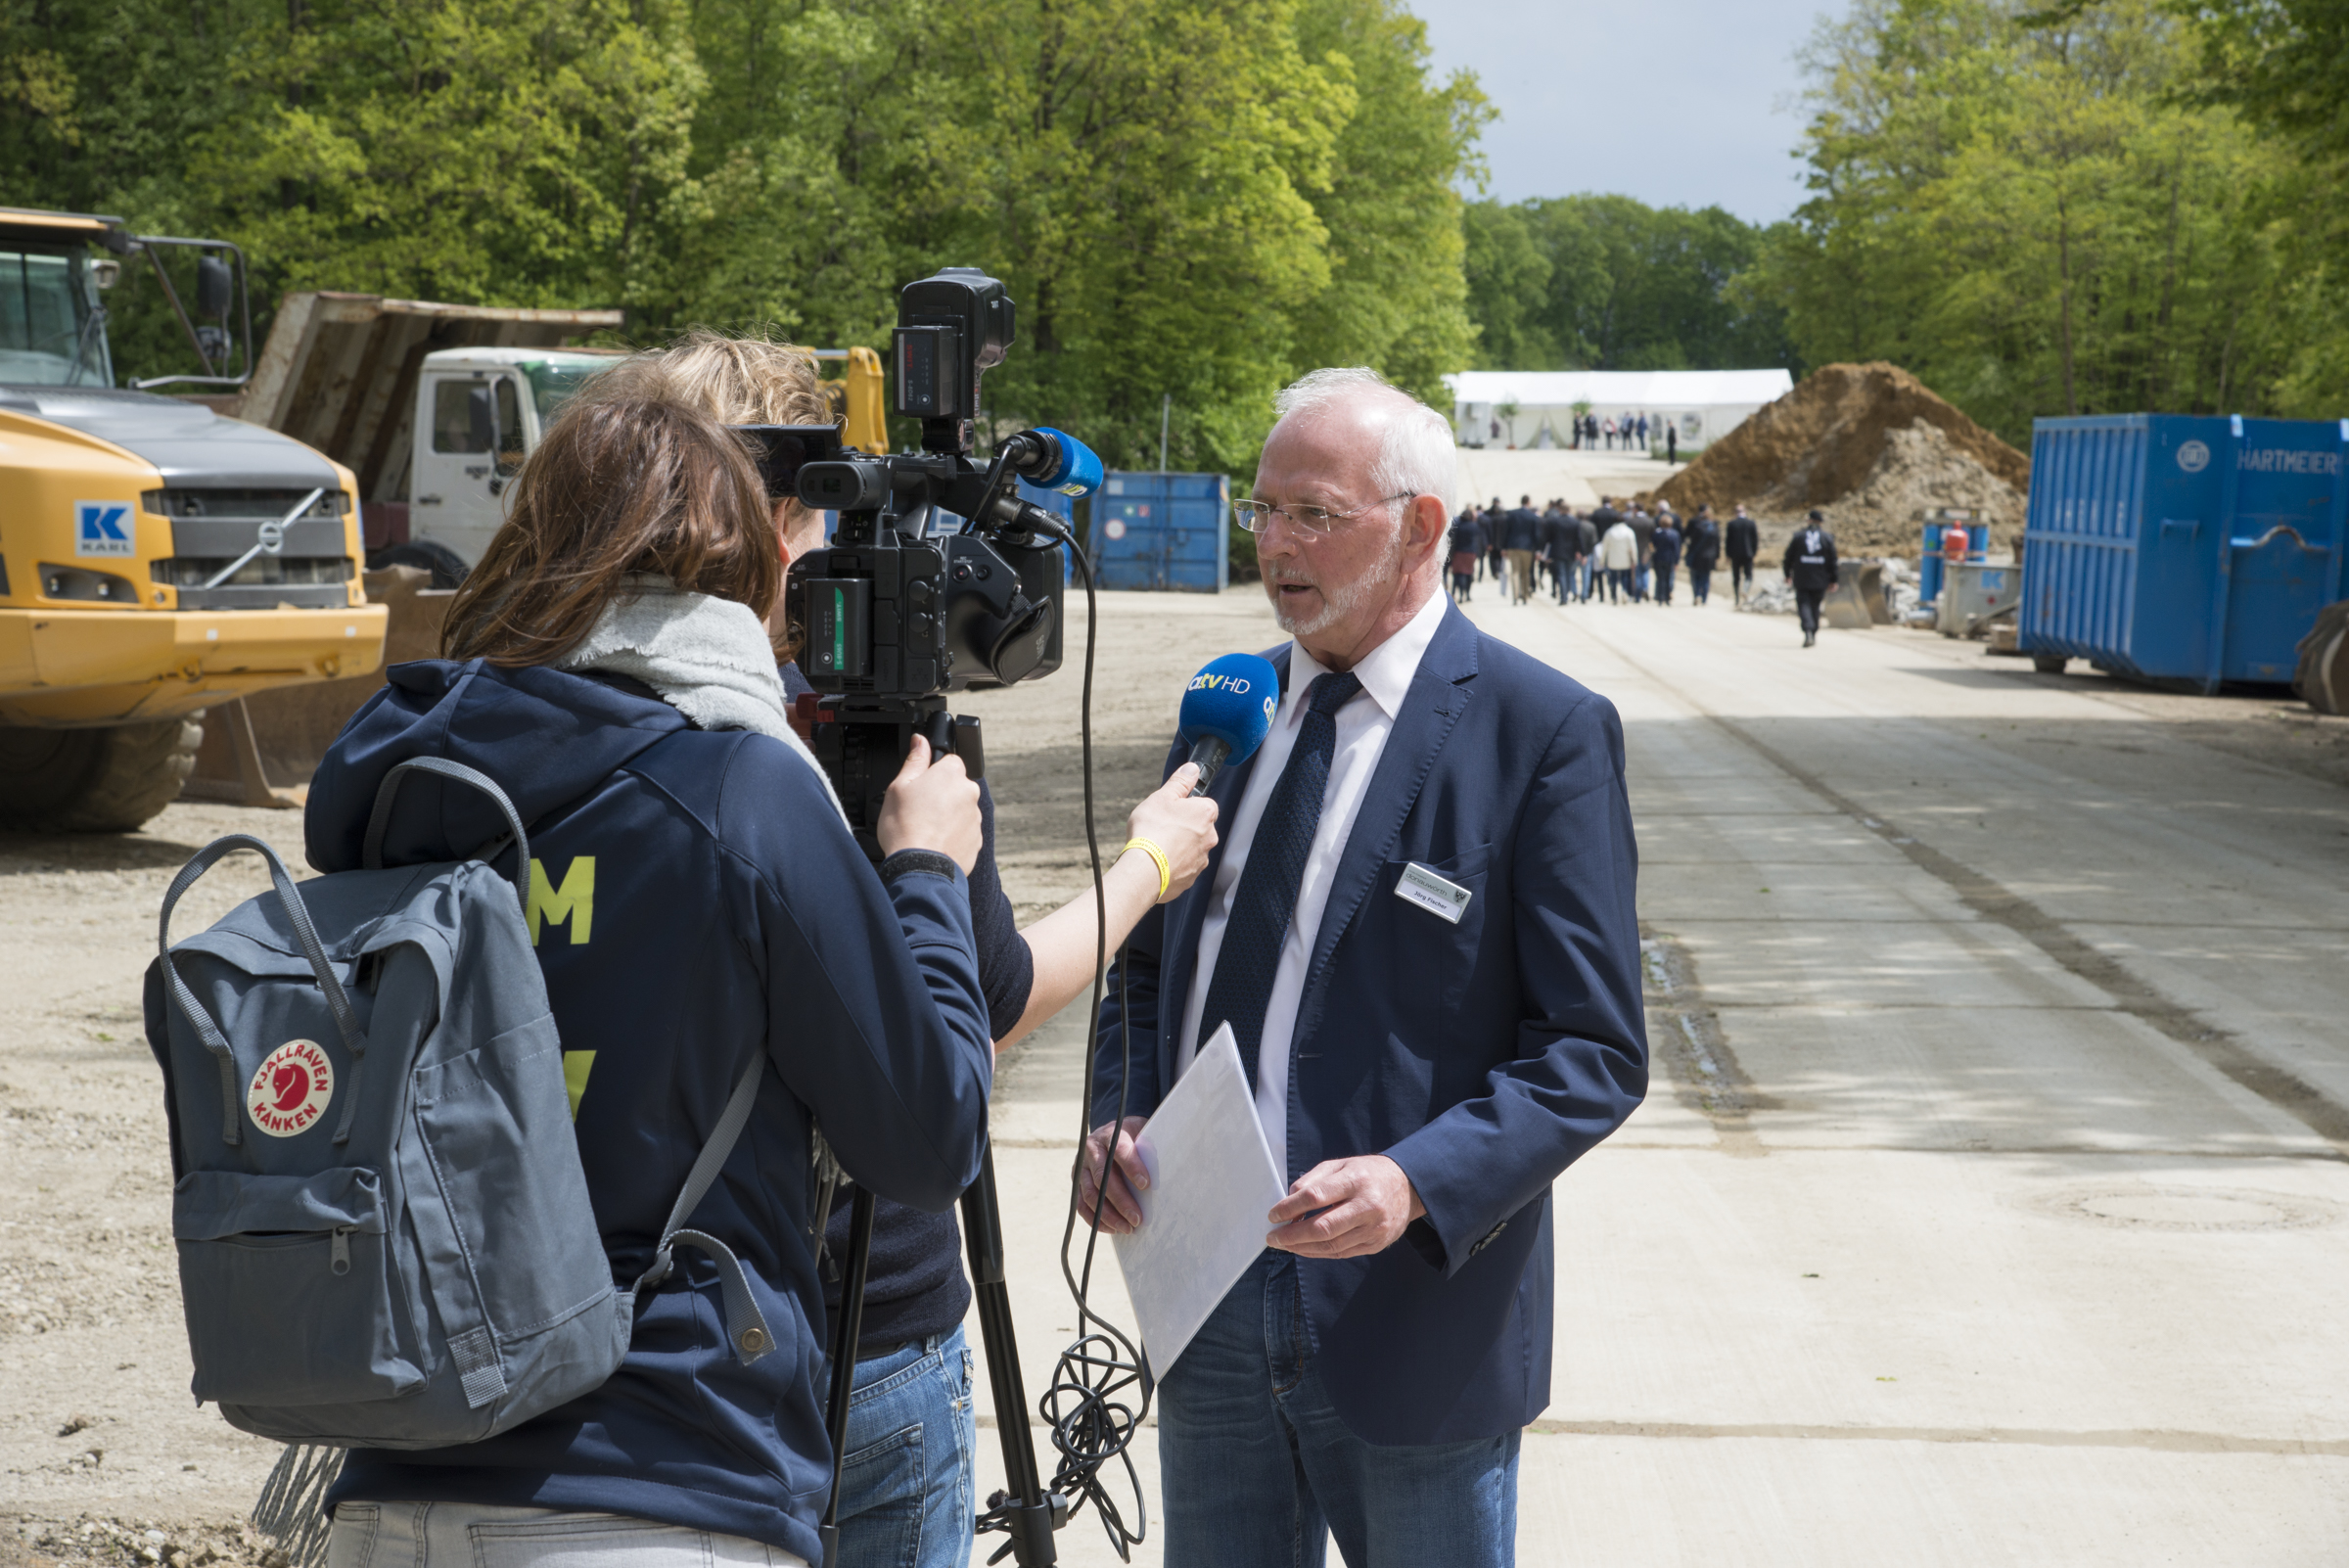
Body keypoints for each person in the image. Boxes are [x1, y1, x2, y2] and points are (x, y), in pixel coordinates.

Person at [308, 392, 997, 1568]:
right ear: (739, 562)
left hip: (390, 1478)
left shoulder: (396, 788)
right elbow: (930, 1137)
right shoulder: (738, 789)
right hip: (659, 1481)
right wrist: (925, 874)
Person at [577, 335, 1221, 1568]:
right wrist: (1150, 866)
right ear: (781, 514)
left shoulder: (548, 705)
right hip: (859, 1329)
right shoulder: (860, 721)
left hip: (592, 1321)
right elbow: (976, 1016)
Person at [1081, 366, 1646, 1568]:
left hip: (1409, 1314)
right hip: (1209, 1289)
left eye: (1315, 516)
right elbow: (1144, 968)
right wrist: (1117, 1117)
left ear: (1420, 528)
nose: (1277, 546)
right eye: (1264, 511)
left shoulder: (1538, 732)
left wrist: (1415, 1182)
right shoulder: (1226, 707)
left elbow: (1592, 1051)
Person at [1784, 507, 1841, 647]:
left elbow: (1788, 558)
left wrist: (1787, 574)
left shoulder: (1798, 536)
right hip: (1820, 578)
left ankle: (1808, 630)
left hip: (1802, 577)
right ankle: (1813, 631)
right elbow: (1833, 561)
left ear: (1810, 520)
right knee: (1815, 606)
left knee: (1804, 604)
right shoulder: (1827, 538)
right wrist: (1834, 579)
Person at [1501, 492, 1541, 605]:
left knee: (1515, 572)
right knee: (1525, 572)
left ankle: (1515, 596)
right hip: (1527, 548)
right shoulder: (1532, 516)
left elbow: (1506, 532)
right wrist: (1537, 549)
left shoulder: (1512, 515)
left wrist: (1504, 547)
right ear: (1529, 502)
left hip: (1513, 547)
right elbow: (1536, 535)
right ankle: (1524, 596)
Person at [1597, 507, 1638, 603]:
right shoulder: (1629, 532)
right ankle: (1624, 591)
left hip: (1613, 560)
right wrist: (1634, 560)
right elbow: (1633, 547)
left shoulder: (1610, 532)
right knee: (1625, 577)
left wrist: (1602, 560)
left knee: (1613, 579)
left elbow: (1605, 548)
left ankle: (1614, 596)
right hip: (1625, 559)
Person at [1684, 505, 1721, 606]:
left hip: (1697, 556)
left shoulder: (1697, 527)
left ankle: (1697, 595)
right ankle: (1704, 599)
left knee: (1695, 577)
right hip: (1710, 557)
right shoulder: (1714, 528)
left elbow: (1692, 542)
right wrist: (1717, 556)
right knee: (1706, 578)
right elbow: (1717, 544)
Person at [1726, 503, 1760, 603]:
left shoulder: (1732, 524)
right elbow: (1755, 540)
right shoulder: (1751, 523)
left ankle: (1736, 598)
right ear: (1745, 511)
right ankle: (1745, 590)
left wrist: (1728, 554)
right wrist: (1754, 552)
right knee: (1748, 575)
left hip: (1735, 554)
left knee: (1736, 577)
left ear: (1735, 512)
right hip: (1748, 554)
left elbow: (1728, 541)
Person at [1650, 510, 1682, 606]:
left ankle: (1660, 598)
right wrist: (1677, 561)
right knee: (1669, 579)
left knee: (1660, 578)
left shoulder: (1657, 533)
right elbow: (1677, 549)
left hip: (1658, 558)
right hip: (1670, 559)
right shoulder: (1674, 534)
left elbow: (1653, 545)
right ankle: (1667, 598)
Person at [1449, 505, 1481, 602]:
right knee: (1469, 573)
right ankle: (1467, 594)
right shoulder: (1474, 526)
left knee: (1459, 574)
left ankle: (1459, 593)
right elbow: (1478, 540)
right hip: (1470, 553)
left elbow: (1453, 540)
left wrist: (1451, 554)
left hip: (1459, 553)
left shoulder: (1458, 525)